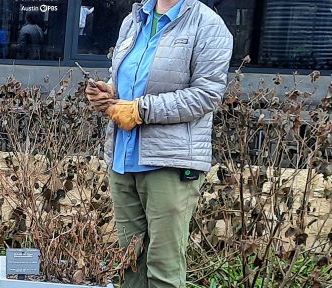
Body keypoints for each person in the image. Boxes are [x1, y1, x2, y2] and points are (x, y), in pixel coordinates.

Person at [84, 0, 233, 287]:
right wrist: (109, 93)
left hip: (170, 164)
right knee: (129, 264)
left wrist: (141, 110)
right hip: (123, 159)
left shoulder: (208, 24)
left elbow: (206, 94)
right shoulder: (134, 19)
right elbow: (128, 81)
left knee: (163, 269)